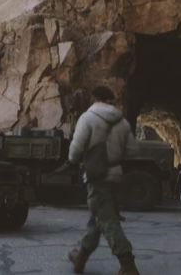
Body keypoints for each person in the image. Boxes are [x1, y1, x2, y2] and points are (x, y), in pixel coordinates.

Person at [58, 86, 140, 275]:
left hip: (97, 176)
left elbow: (76, 149)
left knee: (108, 220)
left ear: (94, 98)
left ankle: (128, 264)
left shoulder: (88, 118)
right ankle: (81, 257)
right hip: (116, 174)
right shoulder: (122, 121)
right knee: (98, 219)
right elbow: (133, 150)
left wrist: (74, 161)